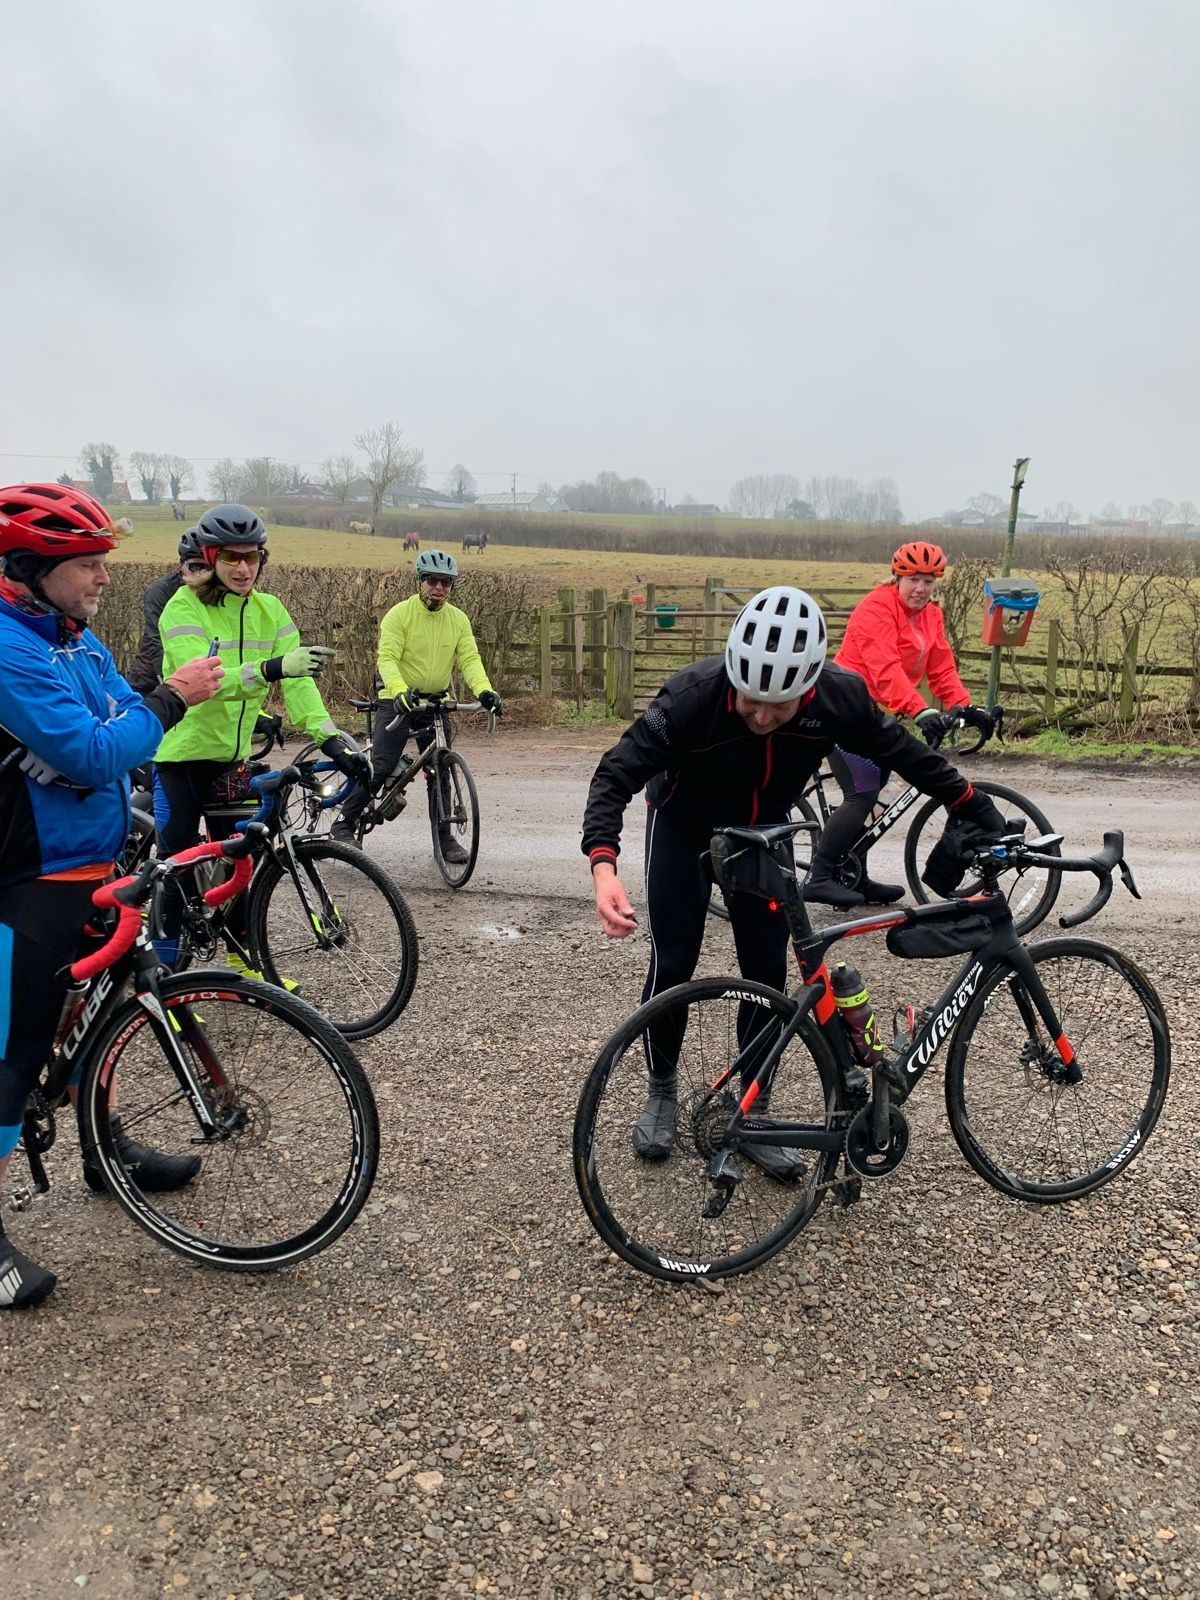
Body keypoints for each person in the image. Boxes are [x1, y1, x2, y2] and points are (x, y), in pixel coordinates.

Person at [581, 585, 1004, 1171]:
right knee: (674, 958)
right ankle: (661, 1088)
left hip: (763, 832)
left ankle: (753, 1111)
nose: (759, 716)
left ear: (807, 688)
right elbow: (614, 775)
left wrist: (970, 803)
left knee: (766, 969)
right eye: (750, 700)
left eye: (776, 707)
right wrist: (604, 866)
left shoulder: (838, 698)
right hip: (682, 826)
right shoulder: (691, 697)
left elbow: (904, 752)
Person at [0, 482, 223, 1309]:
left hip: (89, 864)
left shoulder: (73, 638)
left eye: (102, 562)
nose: (101, 578)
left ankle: (104, 1145)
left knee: (106, 1012)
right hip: (24, 879)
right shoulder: (7, 647)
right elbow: (97, 750)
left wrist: (141, 716)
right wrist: (168, 702)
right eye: (85, 565)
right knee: (14, 1056)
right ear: (28, 568)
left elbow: (121, 721)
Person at [152, 503, 371, 969]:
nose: (244, 567)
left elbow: (299, 679)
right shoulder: (181, 609)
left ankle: (244, 969)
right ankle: (166, 984)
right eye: (232, 558)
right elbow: (206, 686)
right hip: (181, 758)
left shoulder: (270, 610)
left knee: (241, 868)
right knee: (176, 869)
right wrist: (270, 668)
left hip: (232, 760)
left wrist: (331, 738)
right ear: (210, 558)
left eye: (253, 557)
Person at [804, 541, 996, 908]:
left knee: (880, 792)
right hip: (846, 711)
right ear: (897, 578)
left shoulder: (931, 615)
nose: (920, 589)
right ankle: (821, 876)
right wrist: (921, 710)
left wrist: (965, 707)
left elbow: (940, 665)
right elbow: (884, 668)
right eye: (913, 580)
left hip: (881, 719)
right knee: (862, 794)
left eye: (928, 581)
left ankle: (855, 872)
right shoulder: (875, 609)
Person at [332, 548, 501, 861]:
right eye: (432, 581)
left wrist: (485, 691)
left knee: (441, 767)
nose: (439, 587)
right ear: (420, 582)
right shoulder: (400, 615)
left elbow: (470, 659)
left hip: (435, 703)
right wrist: (398, 691)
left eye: (446, 582)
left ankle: (446, 840)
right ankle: (344, 822)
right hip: (398, 700)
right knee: (381, 765)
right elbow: (388, 658)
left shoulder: (458, 620)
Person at [125, 527, 210, 694]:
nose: (201, 573)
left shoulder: (214, 591)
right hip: (149, 676)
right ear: (181, 566)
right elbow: (155, 637)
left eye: (207, 567)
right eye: (195, 566)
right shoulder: (161, 590)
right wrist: (165, 680)